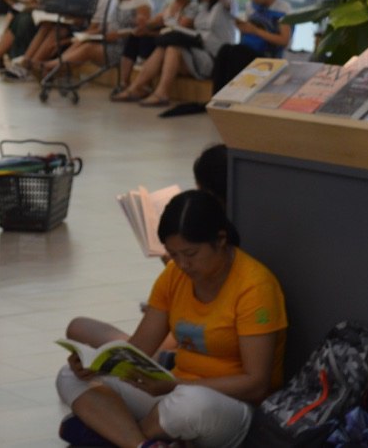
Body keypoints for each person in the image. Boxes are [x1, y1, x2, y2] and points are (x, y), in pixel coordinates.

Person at [56, 189, 287, 448]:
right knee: (69, 376)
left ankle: (111, 434)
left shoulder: (254, 287)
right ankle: (142, 444)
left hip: (230, 407)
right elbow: (139, 348)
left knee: (190, 404)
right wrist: (95, 366)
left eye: (190, 254)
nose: (182, 264)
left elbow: (256, 384)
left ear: (220, 240)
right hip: (172, 390)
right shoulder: (174, 276)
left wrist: (175, 384)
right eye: (173, 255)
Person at [112, 0, 235, 108]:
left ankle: (161, 92)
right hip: (198, 51)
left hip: (214, 59)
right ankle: (135, 88)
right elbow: (155, 22)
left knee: (173, 47)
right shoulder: (203, 7)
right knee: (165, 46)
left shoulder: (225, 6)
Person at [41, 0, 152, 79]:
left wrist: (118, 34)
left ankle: (50, 66)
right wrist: (97, 33)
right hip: (108, 39)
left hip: (122, 47)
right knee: (82, 42)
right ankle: (55, 66)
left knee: (88, 49)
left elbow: (141, 30)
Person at [210, 0, 294, 92]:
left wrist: (255, 31)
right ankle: (217, 96)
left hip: (270, 55)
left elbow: (284, 40)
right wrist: (243, 28)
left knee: (237, 54)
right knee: (225, 50)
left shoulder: (283, 8)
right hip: (250, 49)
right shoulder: (251, 6)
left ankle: (233, 95)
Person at [118, 0, 199, 92]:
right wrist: (143, 23)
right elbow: (154, 22)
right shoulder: (170, 5)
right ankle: (124, 82)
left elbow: (179, 30)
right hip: (164, 37)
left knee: (146, 39)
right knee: (135, 36)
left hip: (178, 43)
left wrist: (150, 31)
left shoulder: (192, 6)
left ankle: (144, 85)